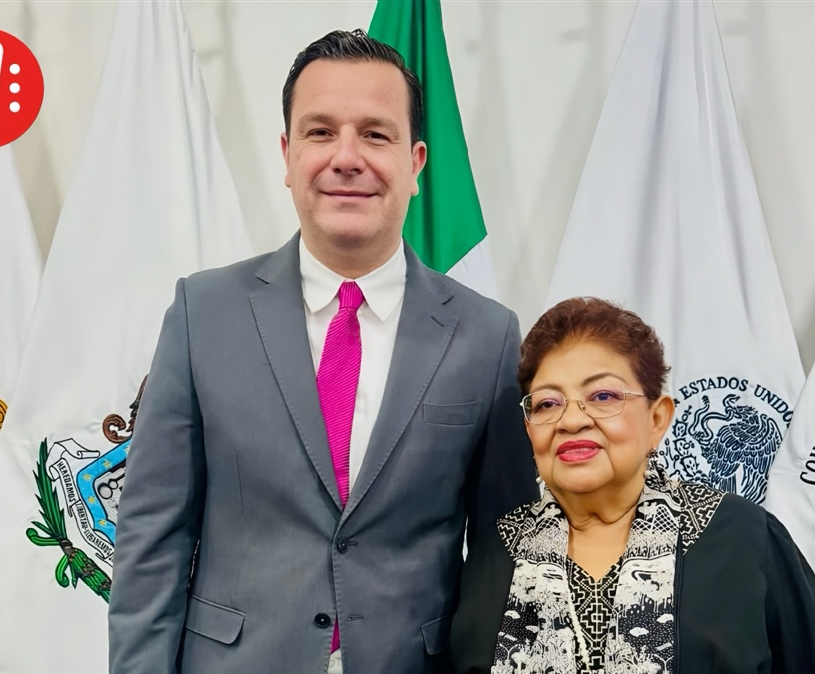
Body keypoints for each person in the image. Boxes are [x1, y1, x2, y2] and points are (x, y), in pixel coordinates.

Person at [107, 29, 537, 674]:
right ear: (287, 155)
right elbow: (151, 538)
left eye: (376, 134)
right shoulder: (204, 314)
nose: (347, 157)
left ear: (416, 163)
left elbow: (506, 551)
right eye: (320, 131)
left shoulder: (487, 334)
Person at [451, 297, 815, 674]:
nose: (571, 421)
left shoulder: (744, 539)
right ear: (529, 429)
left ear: (657, 419)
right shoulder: (495, 554)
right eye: (547, 404)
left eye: (603, 395)